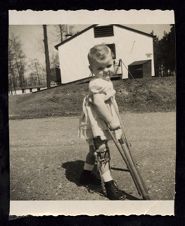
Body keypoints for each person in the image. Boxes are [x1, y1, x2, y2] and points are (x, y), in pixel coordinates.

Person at [78, 44, 126, 200]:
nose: (105, 70)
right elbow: (99, 103)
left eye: (108, 65)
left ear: (113, 61)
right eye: (100, 68)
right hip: (97, 123)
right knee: (102, 151)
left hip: (101, 121)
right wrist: (111, 121)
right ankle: (109, 185)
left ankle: (85, 174)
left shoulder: (106, 80)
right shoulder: (96, 83)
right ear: (91, 68)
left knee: (94, 150)